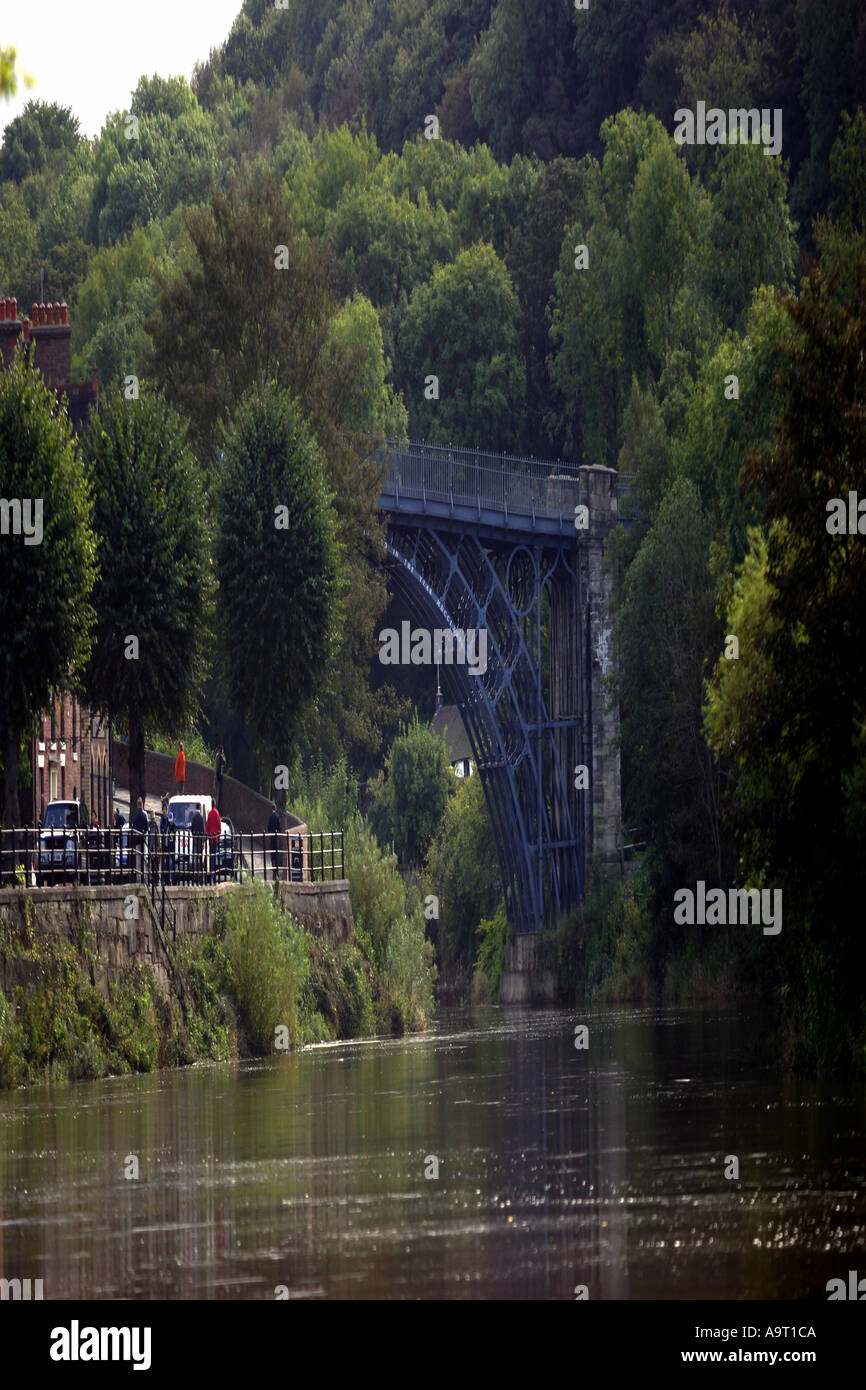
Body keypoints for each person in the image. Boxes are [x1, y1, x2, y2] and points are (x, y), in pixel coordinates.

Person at [132, 796, 149, 880]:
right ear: (142, 805)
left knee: (138, 861)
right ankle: (145, 878)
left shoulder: (135, 817)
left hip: (137, 841)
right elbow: (147, 827)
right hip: (143, 841)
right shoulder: (144, 815)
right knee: (144, 859)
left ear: (137, 805)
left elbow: (134, 827)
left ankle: (138, 878)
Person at [206, 802, 222, 881]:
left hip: (211, 839)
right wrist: (219, 833)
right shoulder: (216, 813)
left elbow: (207, 826)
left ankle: (212, 875)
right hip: (215, 838)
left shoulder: (209, 814)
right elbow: (219, 825)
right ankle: (214, 875)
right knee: (215, 857)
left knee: (212, 857)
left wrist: (208, 834)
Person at [191, 802, 205, 884]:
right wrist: (203, 842)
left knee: (195, 858)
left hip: (194, 839)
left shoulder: (193, 817)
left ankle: (195, 875)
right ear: (199, 807)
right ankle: (199, 875)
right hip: (199, 840)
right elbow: (203, 831)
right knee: (200, 857)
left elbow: (192, 829)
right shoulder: (201, 817)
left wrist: (194, 835)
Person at [267, 801, 280, 879]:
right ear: (276, 809)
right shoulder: (277, 817)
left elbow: (268, 826)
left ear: (271, 809)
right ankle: (277, 868)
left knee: (272, 852)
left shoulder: (270, 817)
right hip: (276, 836)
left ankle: (273, 866)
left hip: (272, 836)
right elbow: (279, 826)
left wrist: (269, 832)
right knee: (276, 851)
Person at [214, 746, 226, 811]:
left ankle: (216, 807)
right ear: (222, 750)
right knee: (218, 793)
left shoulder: (217, 755)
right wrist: (223, 755)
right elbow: (224, 763)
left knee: (216, 792)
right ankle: (217, 808)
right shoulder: (220, 756)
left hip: (216, 774)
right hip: (219, 775)